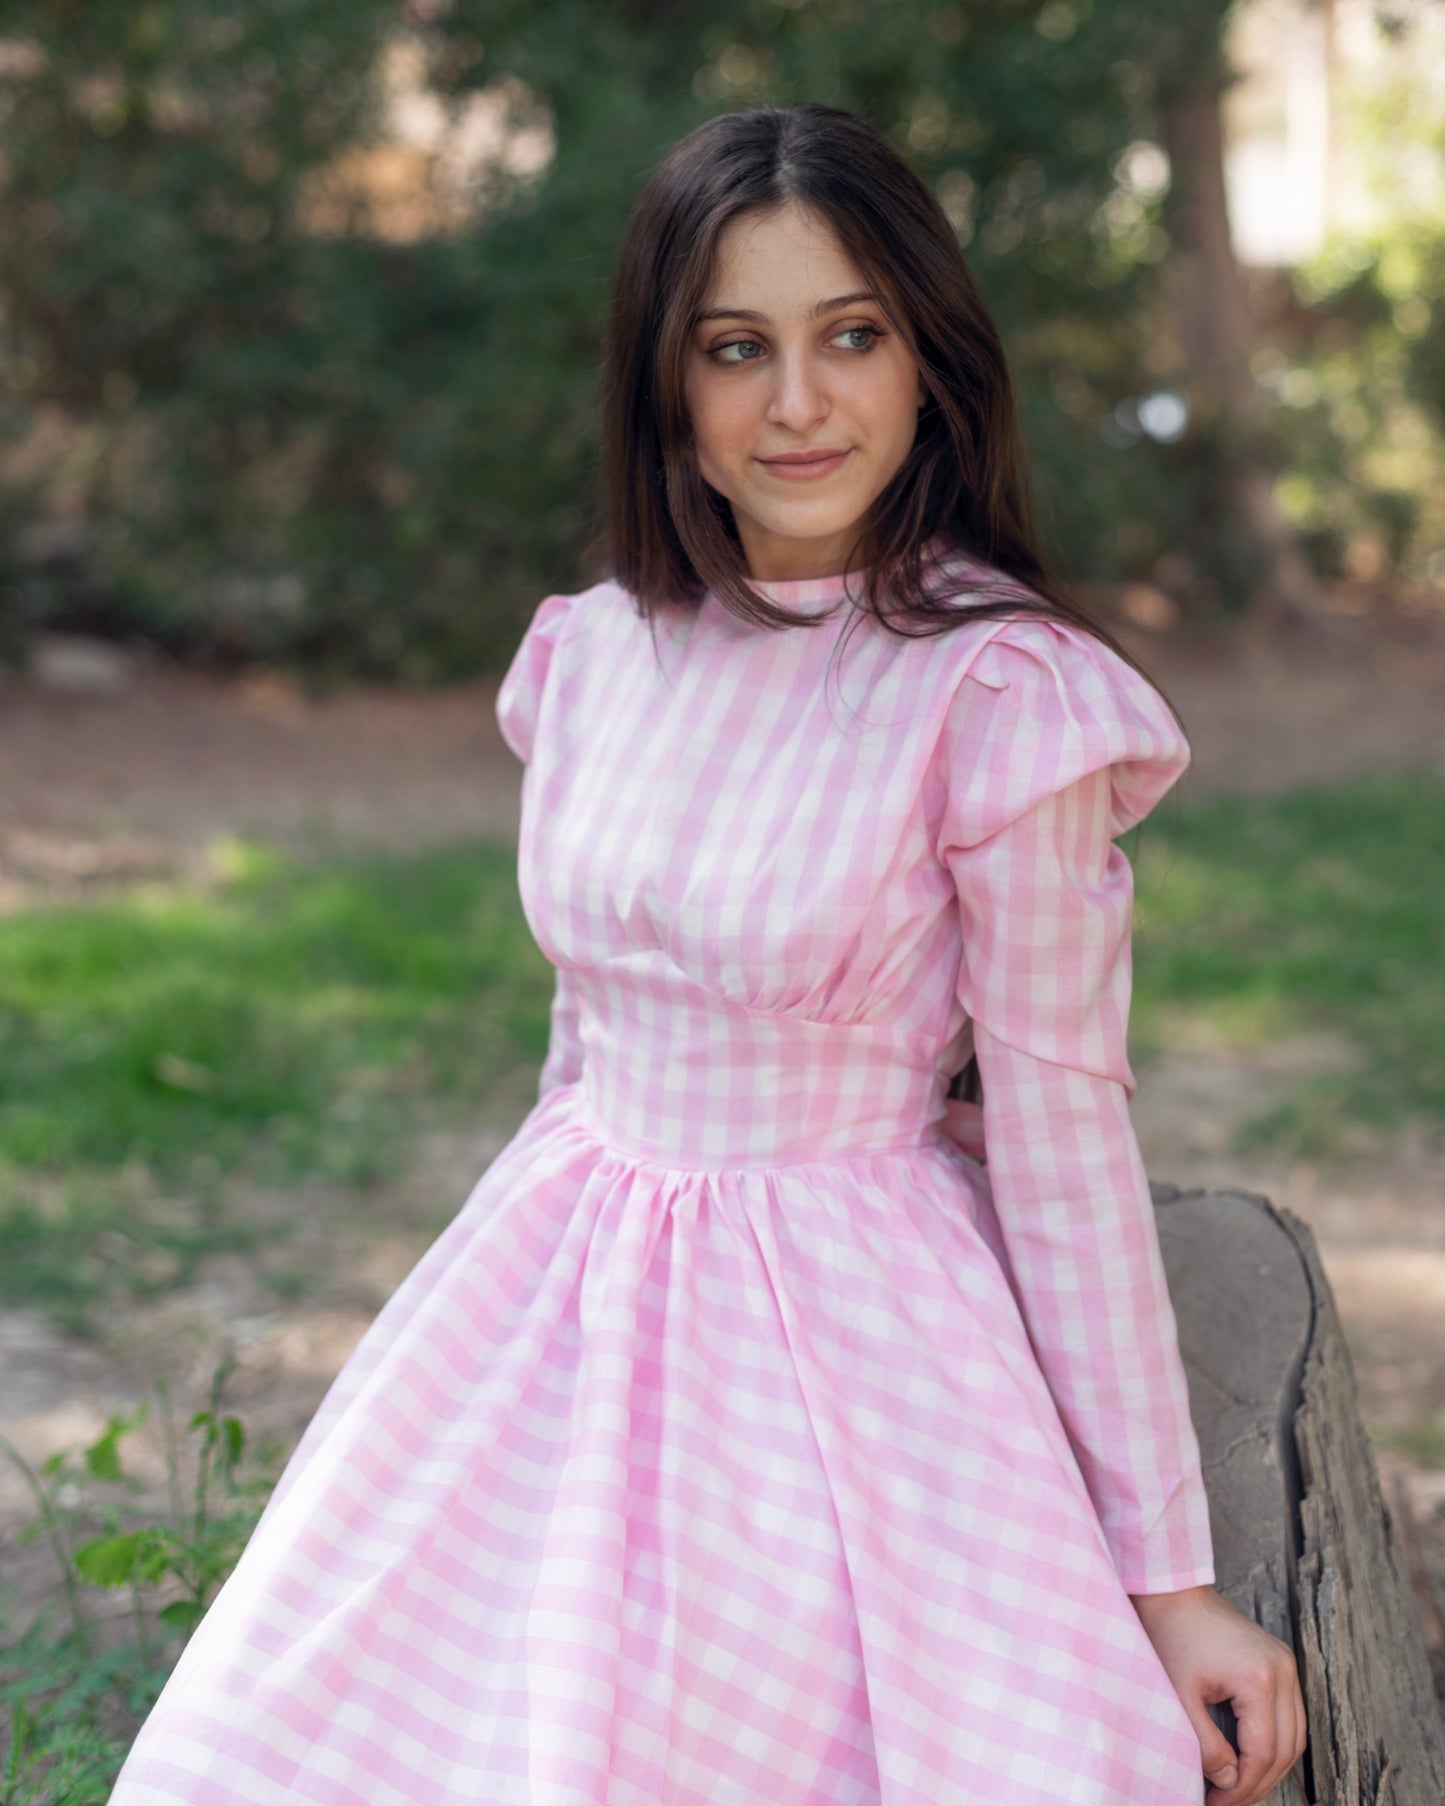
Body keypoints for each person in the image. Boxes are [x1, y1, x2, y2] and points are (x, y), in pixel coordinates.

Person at [109, 102, 1308, 1806]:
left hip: (842, 1329)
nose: (797, 402)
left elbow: (1062, 1138)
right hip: (562, 1274)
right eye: (736, 347)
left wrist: (1166, 1581)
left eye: (851, 336)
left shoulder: (994, 693)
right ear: (666, 384)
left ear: (929, 362)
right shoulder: (596, 653)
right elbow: (584, 1036)